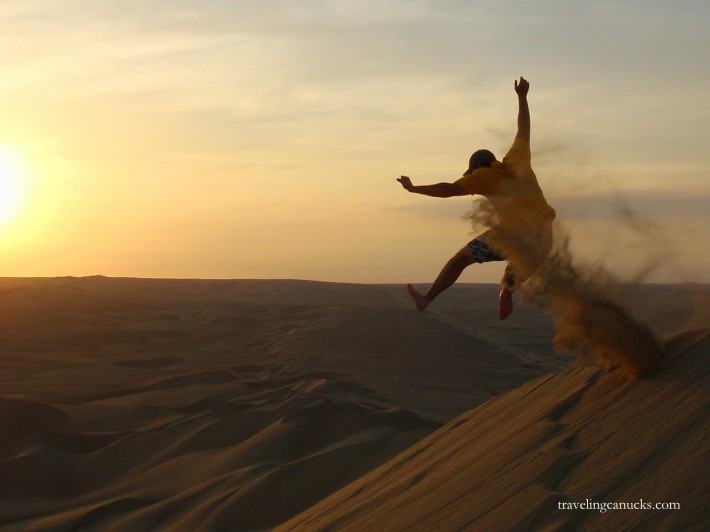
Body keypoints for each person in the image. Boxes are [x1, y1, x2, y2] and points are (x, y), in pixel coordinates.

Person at [397, 76, 556, 320]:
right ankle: (506, 292)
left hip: (516, 236)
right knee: (514, 268)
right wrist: (522, 97)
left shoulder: (484, 175)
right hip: (544, 238)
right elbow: (523, 128)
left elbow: (447, 189)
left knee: (460, 259)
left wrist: (415, 188)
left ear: (476, 168)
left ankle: (427, 298)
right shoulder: (517, 158)